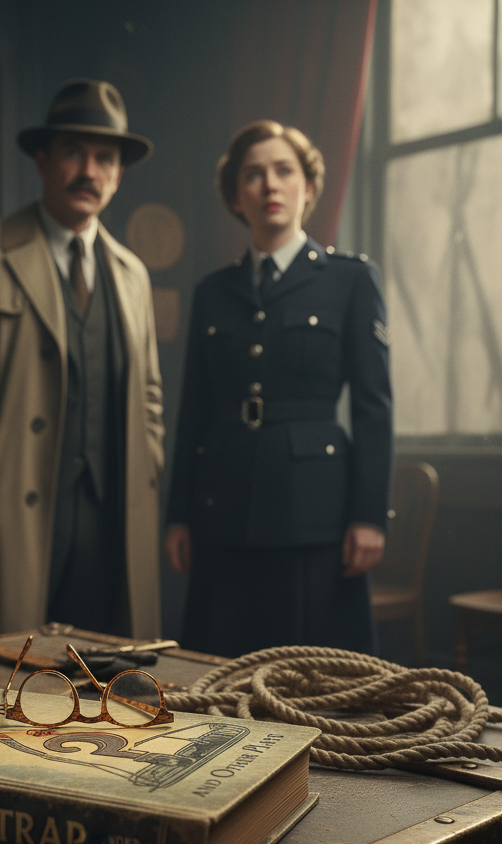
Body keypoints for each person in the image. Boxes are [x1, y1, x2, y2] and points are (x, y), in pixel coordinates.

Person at [0, 79, 164, 642]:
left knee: (108, 689)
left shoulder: (133, 274)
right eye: (73, 152)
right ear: (42, 161)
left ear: (117, 175)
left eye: (105, 158)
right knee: (2, 690)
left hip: (114, 519)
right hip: (6, 513)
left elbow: (150, 395)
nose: (89, 170)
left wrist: (148, 462)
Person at [164, 120, 392, 657]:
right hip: (223, 507)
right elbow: (193, 407)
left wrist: (368, 515)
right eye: (253, 175)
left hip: (313, 513)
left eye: (283, 171)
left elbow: (373, 407)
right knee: (219, 674)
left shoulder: (350, 280)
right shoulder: (213, 291)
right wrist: (179, 514)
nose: (269, 184)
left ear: (308, 189)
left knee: (312, 683)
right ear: (235, 197)